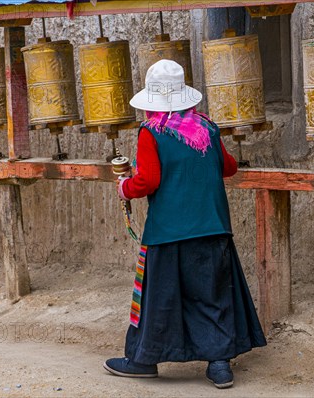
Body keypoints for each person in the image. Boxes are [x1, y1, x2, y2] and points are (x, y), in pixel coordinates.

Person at [104, 60, 267, 389]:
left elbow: (148, 180)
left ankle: (143, 359)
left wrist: (125, 187)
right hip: (213, 228)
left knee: (160, 298)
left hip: (168, 232)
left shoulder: (151, 132)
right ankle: (219, 365)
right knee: (212, 295)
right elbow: (229, 167)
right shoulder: (207, 127)